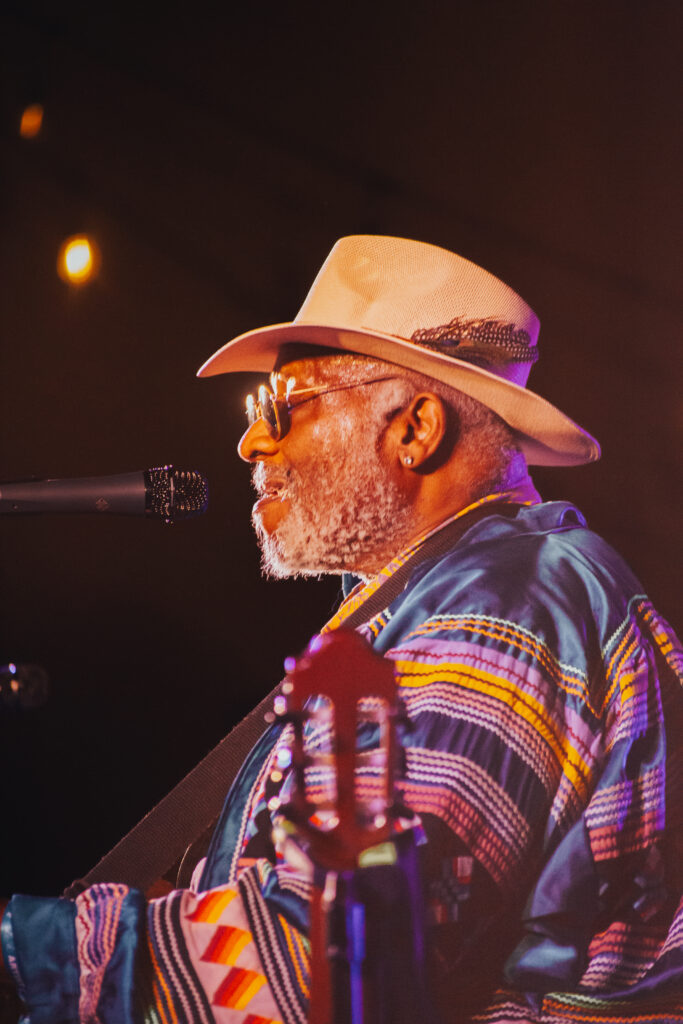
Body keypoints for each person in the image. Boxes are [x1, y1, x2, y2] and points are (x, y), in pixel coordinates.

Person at [1, 235, 681, 1023]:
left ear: (416, 428)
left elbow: (327, 958)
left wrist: (29, 951)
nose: (250, 443)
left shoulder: (505, 605)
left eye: (279, 406)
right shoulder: (460, 600)